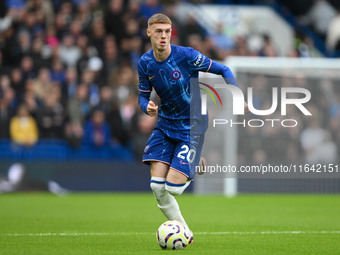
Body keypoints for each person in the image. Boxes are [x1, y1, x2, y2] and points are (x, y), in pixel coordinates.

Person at [138, 13, 248, 244]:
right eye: (159, 31)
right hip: (165, 124)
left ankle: (196, 162)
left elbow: (224, 70)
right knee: (157, 187)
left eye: (167, 31)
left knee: (174, 189)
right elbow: (142, 95)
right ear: (149, 33)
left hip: (192, 124)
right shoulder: (145, 63)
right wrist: (145, 106)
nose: (164, 36)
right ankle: (184, 233)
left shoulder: (187, 56)